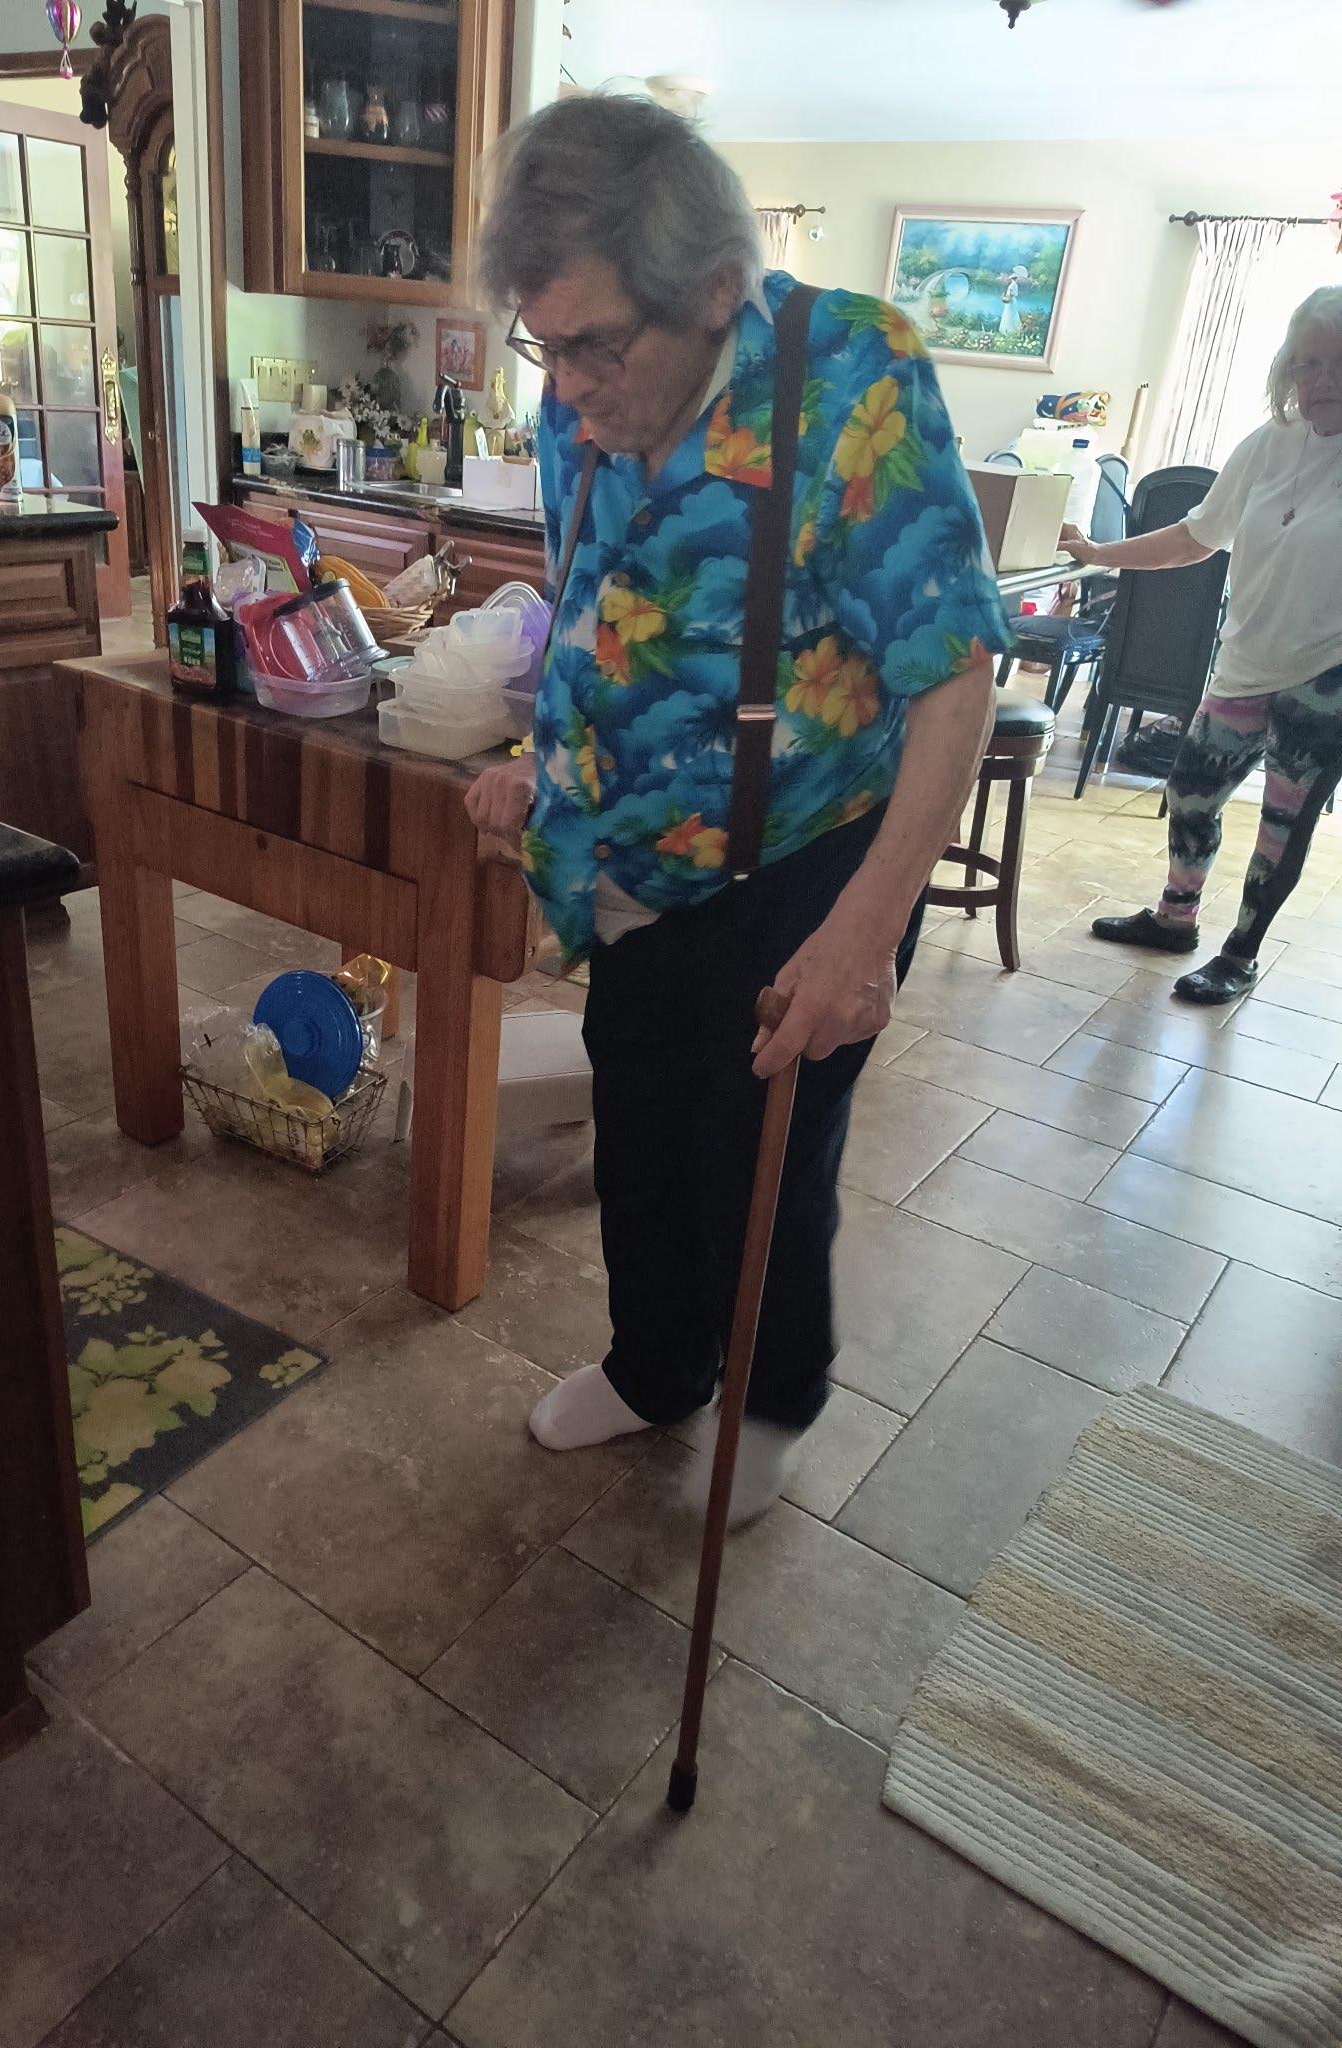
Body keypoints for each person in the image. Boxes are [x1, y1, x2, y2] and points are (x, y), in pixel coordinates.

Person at [465, 95, 1008, 1521]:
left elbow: (955, 676)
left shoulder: (852, 376)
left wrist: (863, 936)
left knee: (760, 1158)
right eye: (543, 345)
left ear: (714, 289)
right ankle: (658, 1368)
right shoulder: (577, 393)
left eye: (594, 346)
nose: (568, 386)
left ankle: (770, 1397)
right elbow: (596, 602)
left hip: (804, 860)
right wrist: (545, 761)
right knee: (640, 1123)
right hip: (635, 864)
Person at [1064, 286, 1342, 1001]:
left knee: (1282, 825)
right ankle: (1175, 919)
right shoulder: (1268, 444)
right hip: (1246, 659)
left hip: (1326, 677)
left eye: (1340, 363)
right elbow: (1195, 537)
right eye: (1309, 364)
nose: (1322, 381)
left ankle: (1240, 954)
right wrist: (1100, 553)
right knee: (1191, 791)